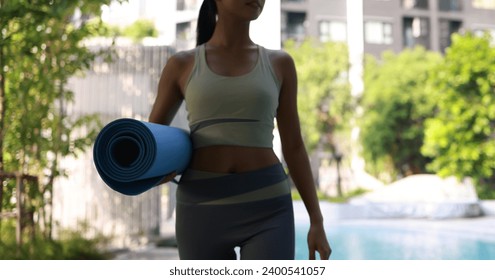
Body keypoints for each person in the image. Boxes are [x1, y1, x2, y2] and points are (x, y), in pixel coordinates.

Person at [148, 0, 331, 260]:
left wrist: (317, 220)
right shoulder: (181, 64)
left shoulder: (280, 63)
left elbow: (294, 146)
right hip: (201, 207)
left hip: (268, 206)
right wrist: (156, 171)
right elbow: (150, 142)